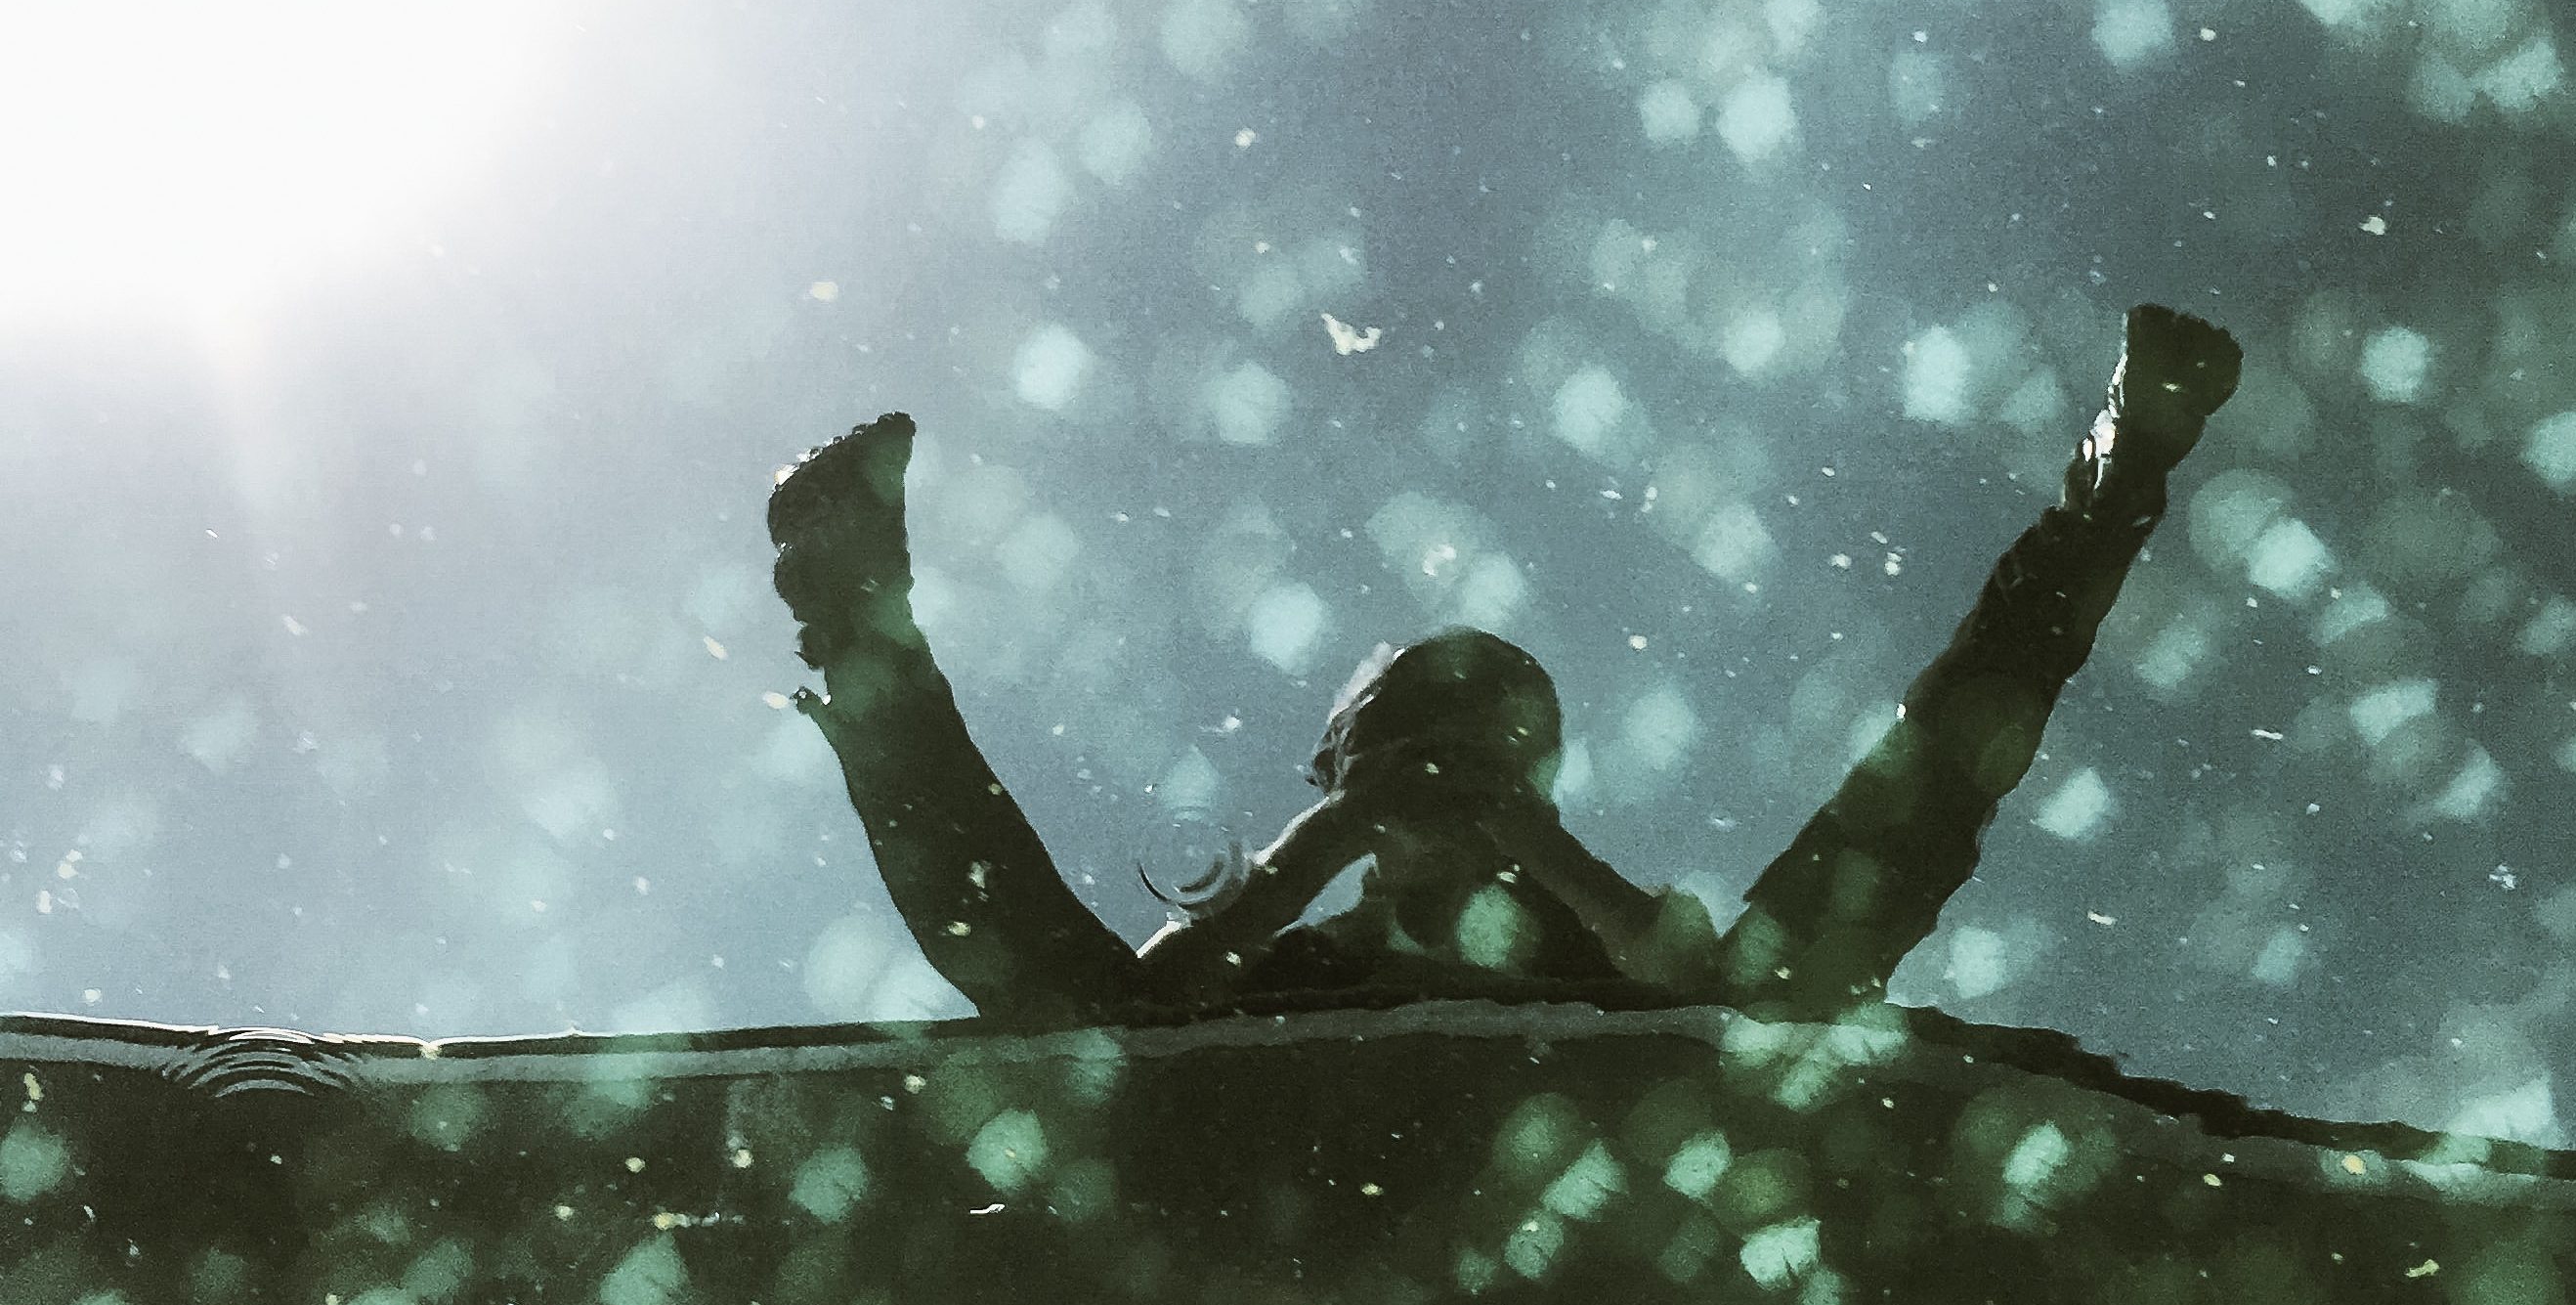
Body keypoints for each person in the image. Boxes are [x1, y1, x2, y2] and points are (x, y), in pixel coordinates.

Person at [763, 303, 2240, 1023]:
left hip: (1592, 1241)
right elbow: (1134, 1008)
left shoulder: (1584, 943)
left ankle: (2102, 509)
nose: (1446, 774)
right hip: (1287, 1232)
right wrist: (1321, 845)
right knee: (1062, 1000)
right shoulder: (1292, 954)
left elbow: (1716, 992)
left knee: (1802, 956)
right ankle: (861, 626)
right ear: (1332, 768)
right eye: (1408, 743)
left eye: (1491, 750)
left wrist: (1536, 847)